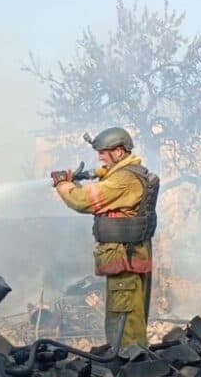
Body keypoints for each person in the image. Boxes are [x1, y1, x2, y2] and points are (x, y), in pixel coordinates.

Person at [51, 128, 159, 350]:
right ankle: (130, 360)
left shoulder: (124, 180)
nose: (100, 157)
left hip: (124, 258)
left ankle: (127, 362)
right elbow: (102, 184)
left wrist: (63, 184)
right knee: (129, 314)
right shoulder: (128, 174)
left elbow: (83, 201)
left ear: (119, 152)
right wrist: (79, 178)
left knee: (124, 316)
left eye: (104, 152)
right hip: (128, 255)